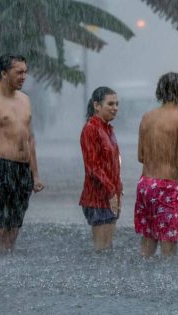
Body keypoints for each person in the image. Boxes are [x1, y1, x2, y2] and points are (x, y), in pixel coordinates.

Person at [0, 54, 44, 252]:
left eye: (25, 72)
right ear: (3, 73)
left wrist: (35, 175)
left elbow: (29, 139)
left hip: (22, 171)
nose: (23, 76)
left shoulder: (25, 100)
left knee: (14, 227)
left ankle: (6, 273)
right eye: (18, 72)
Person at [134, 72, 178, 257]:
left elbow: (141, 156)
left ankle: (143, 281)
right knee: (169, 242)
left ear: (161, 91)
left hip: (144, 185)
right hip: (165, 187)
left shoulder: (147, 117)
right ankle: (168, 283)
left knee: (148, 238)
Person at [79, 87, 123, 250]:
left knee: (108, 248)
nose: (115, 108)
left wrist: (119, 190)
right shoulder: (91, 128)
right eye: (110, 104)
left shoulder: (108, 128)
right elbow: (92, 166)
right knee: (102, 250)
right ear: (97, 105)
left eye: (117, 104)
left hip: (110, 195)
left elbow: (114, 163)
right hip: (96, 197)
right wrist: (111, 191)